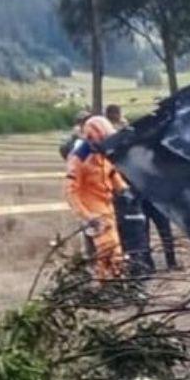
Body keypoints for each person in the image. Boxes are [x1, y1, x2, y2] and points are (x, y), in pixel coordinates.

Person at [105, 104, 178, 272]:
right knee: (156, 230)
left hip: (143, 194)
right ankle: (163, 262)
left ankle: (155, 263)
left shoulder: (124, 151)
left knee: (148, 230)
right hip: (147, 194)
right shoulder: (134, 151)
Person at [65, 116, 128, 281]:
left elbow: (112, 172)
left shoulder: (103, 155)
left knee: (116, 249)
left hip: (108, 207)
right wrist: (87, 216)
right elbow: (71, 192)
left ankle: (116, 282)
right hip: (93, 211)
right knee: (107, 251)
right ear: (91, 138)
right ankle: (106, 284)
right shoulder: (78, 160)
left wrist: (122, 188)